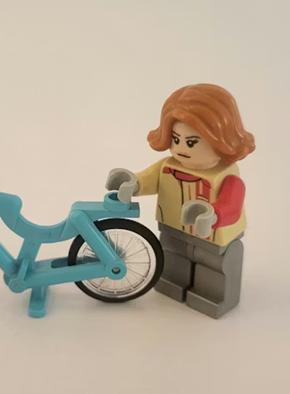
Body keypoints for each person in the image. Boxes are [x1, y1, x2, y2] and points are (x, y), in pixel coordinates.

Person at [106, 84, 256, 318]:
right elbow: (147, 179)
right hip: (173, 230)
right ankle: (173, 284)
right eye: (176, 139)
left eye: (192, 142)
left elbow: (232, 206)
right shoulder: (168, 166)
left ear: (220, 140)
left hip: (213, 239)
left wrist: (213, 214)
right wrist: (133, 183)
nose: (181, 148)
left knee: (215, 268)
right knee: (174, 260)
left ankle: (211, 296)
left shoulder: (226, 177)